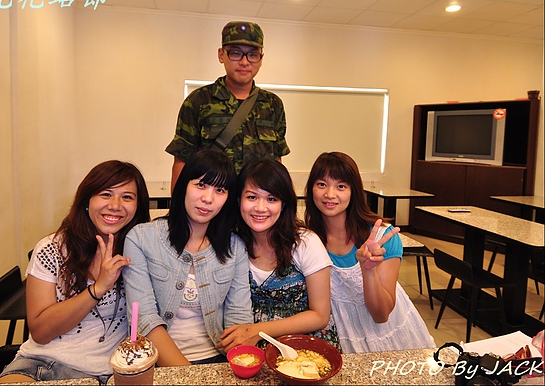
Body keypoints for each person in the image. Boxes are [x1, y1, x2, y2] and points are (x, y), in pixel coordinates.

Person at [0, 160, 151, 384]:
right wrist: (98, 288)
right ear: (87, 201)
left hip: (115, 370)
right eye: (106, 194)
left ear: (138, 206)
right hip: (43, 364)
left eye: (127, 197)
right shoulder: (52, 249)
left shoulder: (141, 251)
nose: (115, 205)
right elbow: (40, 332)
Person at [123, 149, 253, 366]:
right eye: (201, 185)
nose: (208, 198)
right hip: (157, 362)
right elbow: (145, 320)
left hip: (218, 359)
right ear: (183, 185)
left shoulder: (235, 247)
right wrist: (190, 376)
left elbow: (239, 319)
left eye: (220, 190)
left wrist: (238, 368)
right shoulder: (141, 239)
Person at [304, 152, 435, 353]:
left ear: (354, 191)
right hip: (343, 339)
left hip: (389, 338)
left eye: (341, 186)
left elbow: (381, 315)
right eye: (322, 184)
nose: (330, 194)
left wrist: (368, 271)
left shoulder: (382, 237)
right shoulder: (308, 241)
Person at [216, 158, 340, 352]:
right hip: (249, 351)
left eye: (271, 199)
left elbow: (320, 315)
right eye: (252, 197)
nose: (260, 208)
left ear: (283, 204)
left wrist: (258, 331)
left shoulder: (305, 243)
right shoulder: (232, 243)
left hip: (306, 348)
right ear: (239, 200)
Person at [165, 21, 290, 191]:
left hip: (257, 202)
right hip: (212, 201)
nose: (245, 62)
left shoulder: (273, 104)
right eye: (236, 53)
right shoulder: (198, 101)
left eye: (253, 54)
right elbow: (182, 161)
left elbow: (276, 162)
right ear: (221, 55)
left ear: (261, 59)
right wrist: (179, 205)